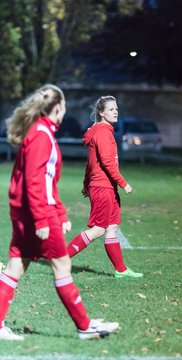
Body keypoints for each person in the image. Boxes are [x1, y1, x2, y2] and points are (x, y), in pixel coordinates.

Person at [0, 85, 119, 341]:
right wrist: (44, 218)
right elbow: (35, 181)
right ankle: (84, 326)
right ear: (58, 108)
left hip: (27, 212)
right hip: (36, 214)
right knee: (62, 264)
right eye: (64, 106)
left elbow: (45, 181)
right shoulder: (42, 135)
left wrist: (61, 214)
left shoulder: (39, 132)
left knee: (15, 267)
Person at [67, 96, 143, 278]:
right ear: (101, 112)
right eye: (110, 109)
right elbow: (107, 162)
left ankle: (121, 270)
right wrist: (123, 183)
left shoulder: (103, 130)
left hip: (106, 187)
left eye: (116, 108)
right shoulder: (102, 131)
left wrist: (86, 183)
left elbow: (91, 163)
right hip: (103, 187)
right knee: (99, 229)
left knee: (112, 227)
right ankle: (61, 259)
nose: (115, 112)